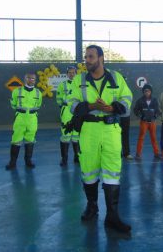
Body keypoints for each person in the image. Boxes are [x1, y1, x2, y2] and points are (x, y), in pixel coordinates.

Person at [67, 45, 133, 233]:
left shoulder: (116, 78)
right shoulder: (79, 80)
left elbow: (127, 99)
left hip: (111, 129)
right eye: (85, 57)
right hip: (88, 130)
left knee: (112, 169)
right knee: (88, 169)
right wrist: (90, 106)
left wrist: (112, 108)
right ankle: (92, 206)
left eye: (90, 56)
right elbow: (71, 103)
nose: (86, 60)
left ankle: (112, 216)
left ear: (101, 58)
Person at [5, 73, 42, 170]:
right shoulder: (17, 91)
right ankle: (12, 162)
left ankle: (28, 161)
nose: (31, 80)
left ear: (35, 80)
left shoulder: (38, 93)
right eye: (29, 78)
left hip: (32, 119)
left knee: (30, 140)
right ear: (25, 79)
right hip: (20, 118)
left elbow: (38, 105)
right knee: (16, 140)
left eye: (33, 78)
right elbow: (13, 104)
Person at [56, 66, 80, 166]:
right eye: (69, 72)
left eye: (73, 72)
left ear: (76, 73)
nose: (71, 74)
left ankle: (77, 157)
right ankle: (64, 159)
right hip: (66, 112)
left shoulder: (80, 85)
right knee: (65, 135)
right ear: (67, 74)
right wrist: (63, 108)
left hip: (77, 111)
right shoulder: (62, 85)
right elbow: (59, 99)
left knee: (76, 135)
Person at [134, 84, 161, 159]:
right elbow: (135, 110)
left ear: (151, 92)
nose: (147, 92)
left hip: (152, 122)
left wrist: (155, 116)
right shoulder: (140, 100)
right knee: (141, 137)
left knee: (153, 138)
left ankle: (156, 153)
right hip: (144, 122)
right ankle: (138, 154)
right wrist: (141, 116)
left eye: (148, 91)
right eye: (145, 91)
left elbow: (158, 111)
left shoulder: (154, 100)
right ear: (143, 92)